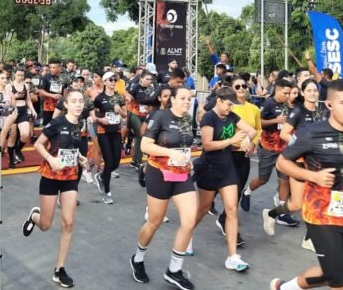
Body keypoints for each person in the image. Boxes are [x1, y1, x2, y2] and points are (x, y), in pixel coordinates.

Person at [270, 79, 343, 290]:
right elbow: (282, 162)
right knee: (342, 283)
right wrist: (312, 176)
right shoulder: (311, 133)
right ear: (330, 105)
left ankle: (287, 288)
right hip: (320, 215)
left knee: (330, 273)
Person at [130, 86, 197, 289]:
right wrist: (170, 154)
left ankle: (174, 270)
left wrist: (187, 159)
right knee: (155, 221)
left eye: (190, 98)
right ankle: (138, 258)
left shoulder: (187, 118)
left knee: (189, 221)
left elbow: (184, 145)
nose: (187, 102)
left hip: (181, 174)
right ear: (173, 100)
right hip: (159, 173)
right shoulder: (160, 116)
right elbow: (145, 146)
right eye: (183, 98)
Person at [22, 89, 88, 288]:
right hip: (51, 175)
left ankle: (59, 269)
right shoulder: (58, 122)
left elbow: (73, 149)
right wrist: (51, 159)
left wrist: (81, 158)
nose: (78, 104)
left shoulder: (82, 124)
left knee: (68, 223)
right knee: (46, 225)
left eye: (81, 101)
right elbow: (39, 145)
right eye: (74, 101)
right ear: (66, 104)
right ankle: (35, 216)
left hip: (70, 177)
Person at [191, 87, 255, 272]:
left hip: (228, 167)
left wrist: (246, 140)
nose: (230, 108)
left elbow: (250, 131)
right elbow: (208, 145)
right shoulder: (209, 118)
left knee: (232, 209)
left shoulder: (232, 116)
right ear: (219, 100)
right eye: (228, 104)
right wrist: (233, 139)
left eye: (232, 105)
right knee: (203, 208)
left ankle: (232, 257)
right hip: (209, 167)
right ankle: (186, 236)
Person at [266, 78, 321, 252]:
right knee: (297, 204)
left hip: (316, 163)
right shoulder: (298, 111)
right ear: (303, 93)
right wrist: (302, 146)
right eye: (309, 90)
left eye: (315, 90)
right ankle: (271, 213)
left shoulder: (321, 112)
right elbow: (284, 134)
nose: (313, 93)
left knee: (316, 201)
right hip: (298, 162)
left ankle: (309, 238)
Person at [240, 79, 299, 227]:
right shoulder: (268, 104)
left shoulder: (289, 105)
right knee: (263, 179)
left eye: (289, 93)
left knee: (284, 180)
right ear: (277, 91)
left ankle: (282, 213)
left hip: (284, 148)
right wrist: (275, 120)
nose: (288, 95)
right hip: (268, 147)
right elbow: (260, 123)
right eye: (285, 93)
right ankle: (247, 192)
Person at [215, 76, 260, 243]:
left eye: (244, 86)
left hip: (243, 155)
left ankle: (225, 219)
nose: (241, 88)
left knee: (238, 188)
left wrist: (253, 144)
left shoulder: (254, 108)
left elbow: (257, 129)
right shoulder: (226, 108)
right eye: (238, 86)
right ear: (231, 89)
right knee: (214, 191)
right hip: (226, 154)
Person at [92, 72, 127, 204]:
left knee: (116, 162)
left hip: (116, 131)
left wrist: (120, 111)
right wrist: (102, 120)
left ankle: (101, 176)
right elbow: (94, 117)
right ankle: (107, 192)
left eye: (115, 80)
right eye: (110, 80)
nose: (113, 82)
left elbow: (125, 116)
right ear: (105, 82)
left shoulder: (119, 97)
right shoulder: (99, 98)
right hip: (103, 132)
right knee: (108, 161)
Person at [5, 67, 37, 166]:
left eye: (22, 75)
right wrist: (15, 97)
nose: (20, 77)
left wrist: (33, 110)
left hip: (23, 109)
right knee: (12, 137)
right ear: (14, 74)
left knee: (25, 134)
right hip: (13, 110)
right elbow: (7, 101)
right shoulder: (9, 86)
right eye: (18, 75)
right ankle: (11, 160)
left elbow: (28, 99)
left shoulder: (25, 86)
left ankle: (18, 150)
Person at [39, 60, 66, 125]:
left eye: (53, 68)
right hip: (48, 105)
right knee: (48, 125)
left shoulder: (65, 77)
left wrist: (64, 97)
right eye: (50, 67)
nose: (51, 69)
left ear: (59, 68)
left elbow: (66, 90)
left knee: (60, 124)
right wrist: (52, 95)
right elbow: (41, 91)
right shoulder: (46, 77)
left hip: (61, 105)